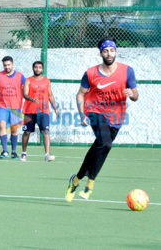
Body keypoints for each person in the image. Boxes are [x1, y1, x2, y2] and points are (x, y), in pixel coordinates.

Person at [65, 36, 138, 202]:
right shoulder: (91, 73)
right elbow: (81, 94)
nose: (109, 53)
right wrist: (81, 114)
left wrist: (131, 94)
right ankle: (90, 183)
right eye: (105, 51)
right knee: (105, 143)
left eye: (112, 50)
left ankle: (76, 179)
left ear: (116, 52)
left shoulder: (127, 71)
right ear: (100, 54)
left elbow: (136, 95)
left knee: (99, 147)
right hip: (95, 111)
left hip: (117, 116)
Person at [0, 56, 26, 159]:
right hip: (2, 106)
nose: (7, 67)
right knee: (2, 126)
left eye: (9, 65)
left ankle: (13, 151)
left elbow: (26, 89)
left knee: (13, 130)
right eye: (5, 65)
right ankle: (5, 151)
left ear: (12, 64)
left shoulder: (20, 76)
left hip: (15, 107)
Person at [21, 61, 59, 162]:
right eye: (36, 67)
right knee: (27, 132)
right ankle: (23, 153)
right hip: (29, 110)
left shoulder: (47, 81)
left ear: (42, 69)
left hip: (43, 111)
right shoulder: (28, 80)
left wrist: (55, 108)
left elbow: (50, 95)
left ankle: (47, 155)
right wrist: (31, 99)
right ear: (33, 68)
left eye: (40, 67)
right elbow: (24, 94)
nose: (38, 69)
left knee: (46, 131)